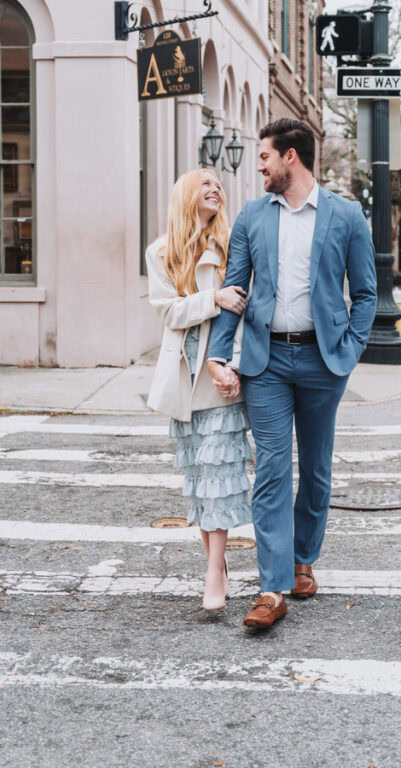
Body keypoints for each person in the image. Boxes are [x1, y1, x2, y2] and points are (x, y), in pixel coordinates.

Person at [207, 119, 377, 630]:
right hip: (267, 363)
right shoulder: (254, 216)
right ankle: (272, 587)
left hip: (325, 362)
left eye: (264, 156)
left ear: (291, 158)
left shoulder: (346, 216)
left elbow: (366, 293)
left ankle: (304, 559)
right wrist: (220, 353)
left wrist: (349, 349)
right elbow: (235, 289)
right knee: (274, 470)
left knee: (317, 470)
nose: (257, 165)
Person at [146, 169, 252, 611]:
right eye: (205, 184)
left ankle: (214, 569)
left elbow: (248, 310)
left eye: (219, 185)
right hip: (182, 380)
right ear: (186, 196)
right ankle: (217, 563)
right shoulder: (161, 252)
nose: (215, 189)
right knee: (199, 480)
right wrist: (213, 299)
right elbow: (168, 312)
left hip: (221, 375)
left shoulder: (232, 248)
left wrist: (238, 364)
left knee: (220, 480)